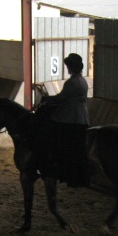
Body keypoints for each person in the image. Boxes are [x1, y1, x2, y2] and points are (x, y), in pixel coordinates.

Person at [36, 53, 90, 187]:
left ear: (71, 67)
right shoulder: (82, 80)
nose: (67, 68)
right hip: (82, 116)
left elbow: (61, 97)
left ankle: (52, 162)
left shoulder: (71, 82)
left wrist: (46, 98)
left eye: (68, 66)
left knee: (51, 127)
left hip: (71, 117)